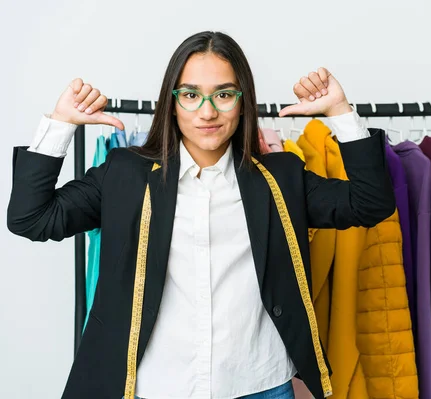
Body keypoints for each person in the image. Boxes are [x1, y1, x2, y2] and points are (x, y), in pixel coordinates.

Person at [7, 31, 395, 399]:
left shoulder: (280, 177)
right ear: (172, 102)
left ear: (242, 102)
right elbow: (32, 219)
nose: (207, 112)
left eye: (223, 94)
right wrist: (60, 125)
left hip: (262, 383)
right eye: (191, 95)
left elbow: (370, 203)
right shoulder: (125, 174)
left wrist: (340, 113)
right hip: (156, 386)